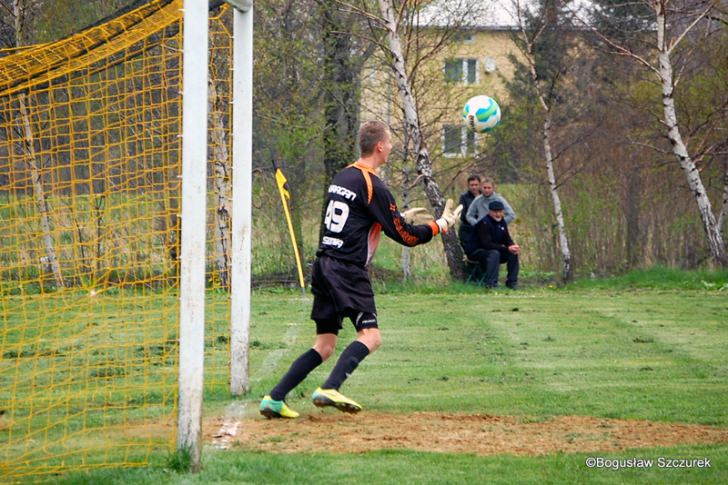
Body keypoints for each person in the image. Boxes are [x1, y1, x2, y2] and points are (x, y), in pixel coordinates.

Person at [259, 120, 462, 419]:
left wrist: (388, 218)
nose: (391, 147)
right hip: (347, 270)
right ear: (380, 146)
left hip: (324, 264)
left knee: (325, 345)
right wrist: (441, 225)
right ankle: (329, 387)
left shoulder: (342, 176)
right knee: (370, 335)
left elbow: (352, 221)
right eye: (390, 142)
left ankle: (274, 398)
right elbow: (405, 236)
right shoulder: (373, 184)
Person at [464, 200, 520, 289]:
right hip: (476, 252)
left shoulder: (502, 222)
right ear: (490, 212)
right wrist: (505, 249)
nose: (498, 214)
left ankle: (512, 283)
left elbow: (506, 238)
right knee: (494, 254)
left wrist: (512, 246)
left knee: (512, 253)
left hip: (493, 251)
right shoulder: (484, 223)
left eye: (500, 212)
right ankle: (491, 284)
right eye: (495, 212)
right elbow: (486, 244)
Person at [457, 175, 481, 250]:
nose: (474, 187)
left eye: (476, 185)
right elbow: (463, 215)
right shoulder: (464, 197)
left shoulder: (485, 196)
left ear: (480, 185)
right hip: (468, 231)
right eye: (472, 185)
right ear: (468, 185)